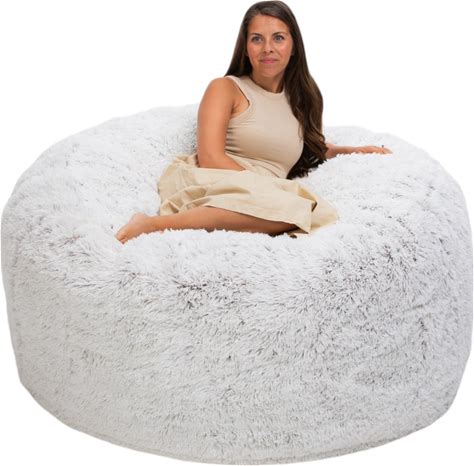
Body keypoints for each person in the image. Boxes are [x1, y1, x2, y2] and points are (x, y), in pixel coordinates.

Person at [115, 1, 392, 244]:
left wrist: (352, 150)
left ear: (294, 47)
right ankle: (153, 225)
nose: (267, 48)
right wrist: (267, 186)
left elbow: (311, 146)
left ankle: (257, 213)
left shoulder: (305, 99)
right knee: (297, 207)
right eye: (257, 39)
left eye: (278, 38)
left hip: (264, 195)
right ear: (246, 48)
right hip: (216, 180)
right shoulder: (225, 88)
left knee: (303, 208)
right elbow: (211, 157)